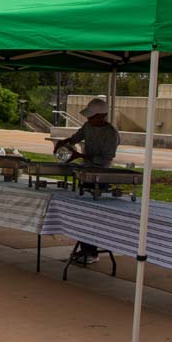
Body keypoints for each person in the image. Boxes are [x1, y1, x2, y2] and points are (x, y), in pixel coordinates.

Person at [53, 97, 119, 264]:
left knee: (94, 215)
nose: (89, 119)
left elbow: (106, 158)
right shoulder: (88, 126)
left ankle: (91, 251)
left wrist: (81, 155)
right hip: (87, 172)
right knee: (82, 212)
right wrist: (64, 142)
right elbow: (76, 137)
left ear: (102, 116)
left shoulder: (111, 134)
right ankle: (85, 248)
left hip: (101, 176)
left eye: (92, 116)